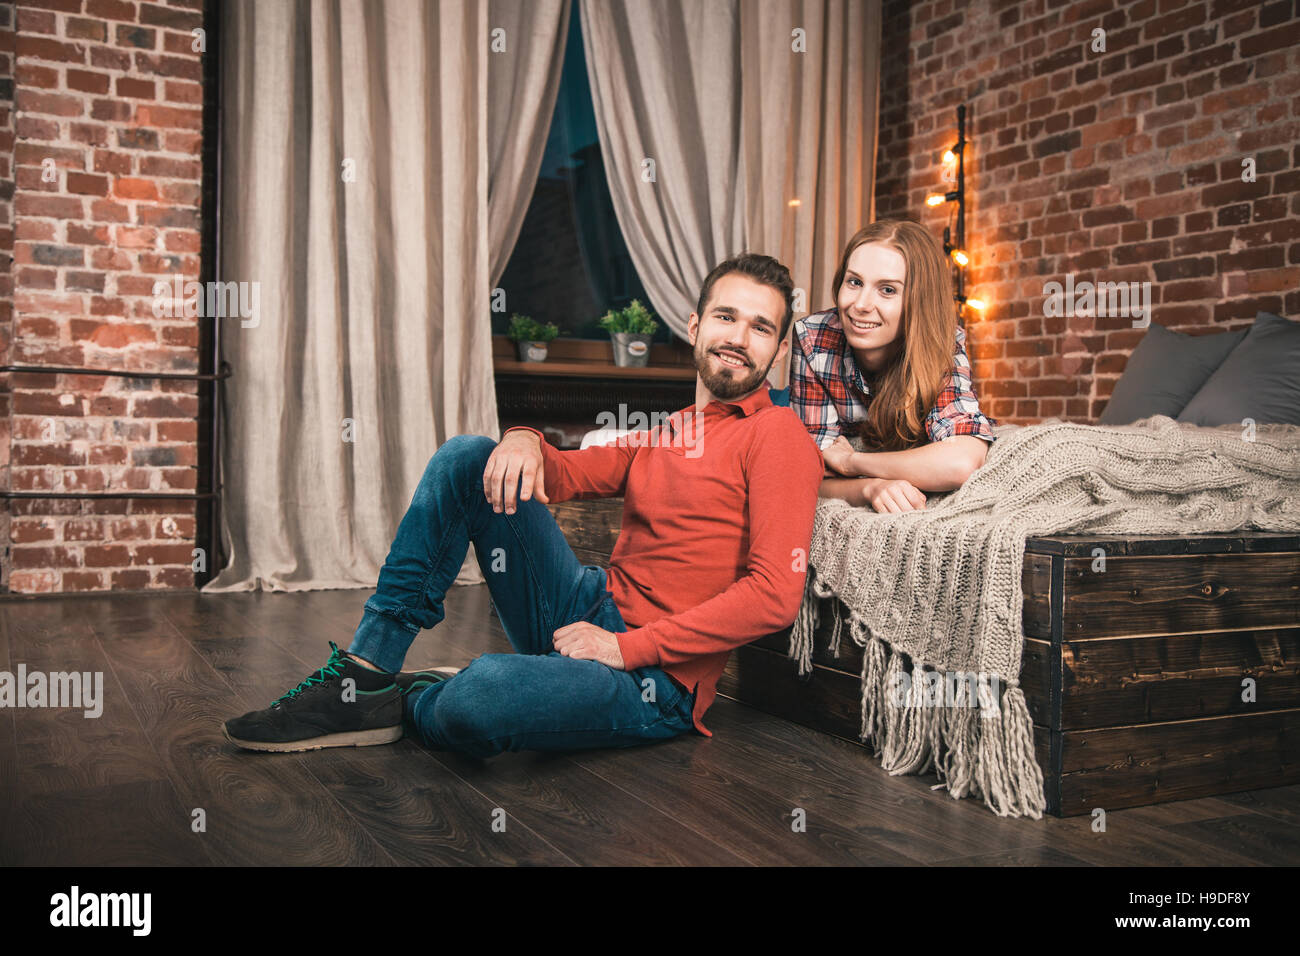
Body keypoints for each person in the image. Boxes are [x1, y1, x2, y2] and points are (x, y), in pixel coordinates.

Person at [223, 253, 824, 757]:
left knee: (480, 700)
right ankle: (366, 671)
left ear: (778, 348)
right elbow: (563, 473)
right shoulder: (670, 428)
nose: (738, 339)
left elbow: (774, 596)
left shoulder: (778, 437)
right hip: (585, 606)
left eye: (761, 327)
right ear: (694, 326)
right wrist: (523, 440)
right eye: (726, 316)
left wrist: (624, 648)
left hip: (654, 678)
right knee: (468, 456)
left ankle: (416, 696)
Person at [788, 219, 996, 513]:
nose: (860, 304)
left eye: (887, 290)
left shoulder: (943, 343)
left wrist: (853, 462)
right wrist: (869, 487)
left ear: (917, 301)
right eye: (855, 282)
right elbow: (810, 474)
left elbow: (961, 461)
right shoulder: (813, 337)